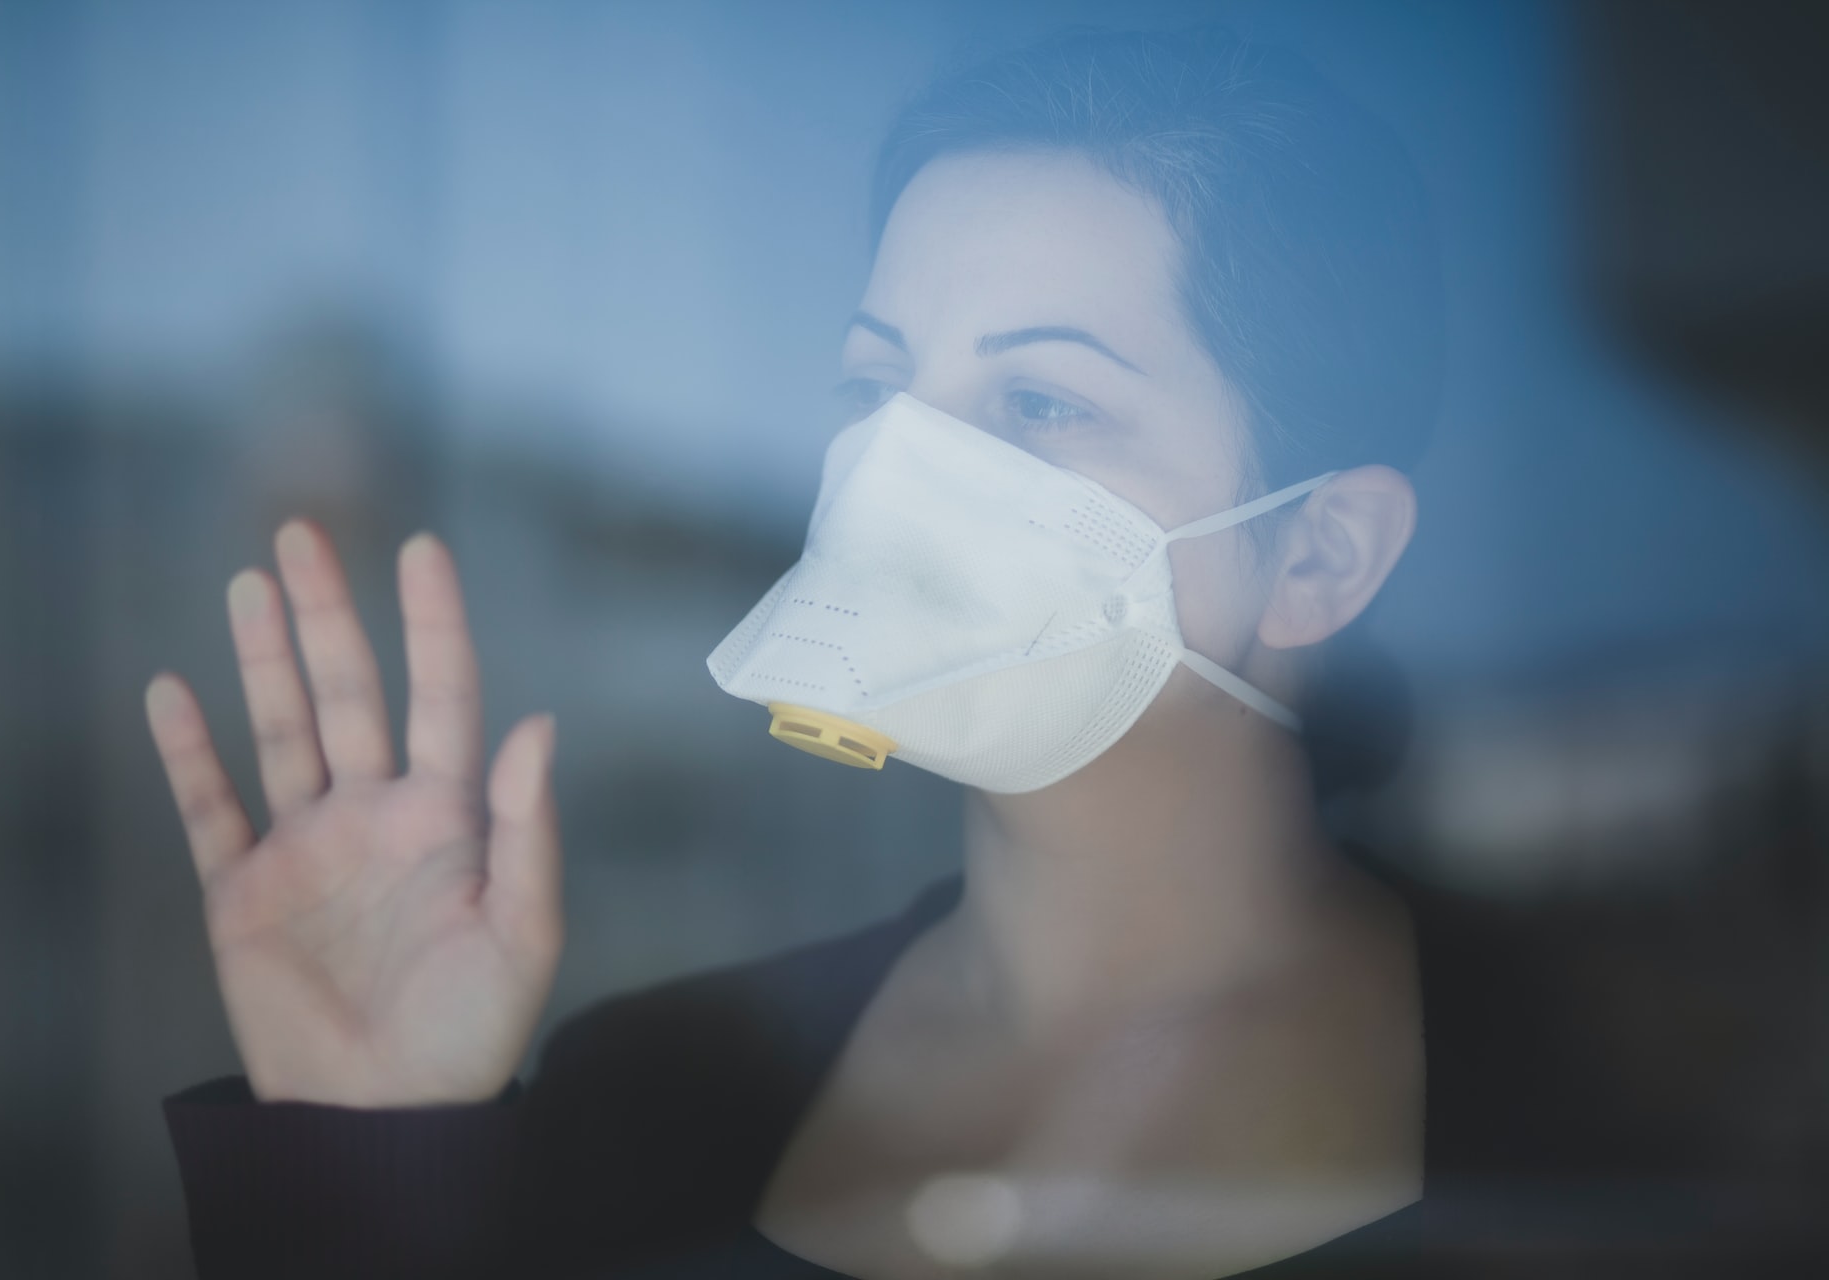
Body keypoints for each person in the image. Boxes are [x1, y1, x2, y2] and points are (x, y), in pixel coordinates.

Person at [144, 26, 1444, 1279]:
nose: (896, 483)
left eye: (1040, 404)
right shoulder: (652, 1092)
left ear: (1322, 555)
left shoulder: (1578, 1093)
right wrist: (376, 1153)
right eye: (878, 392)